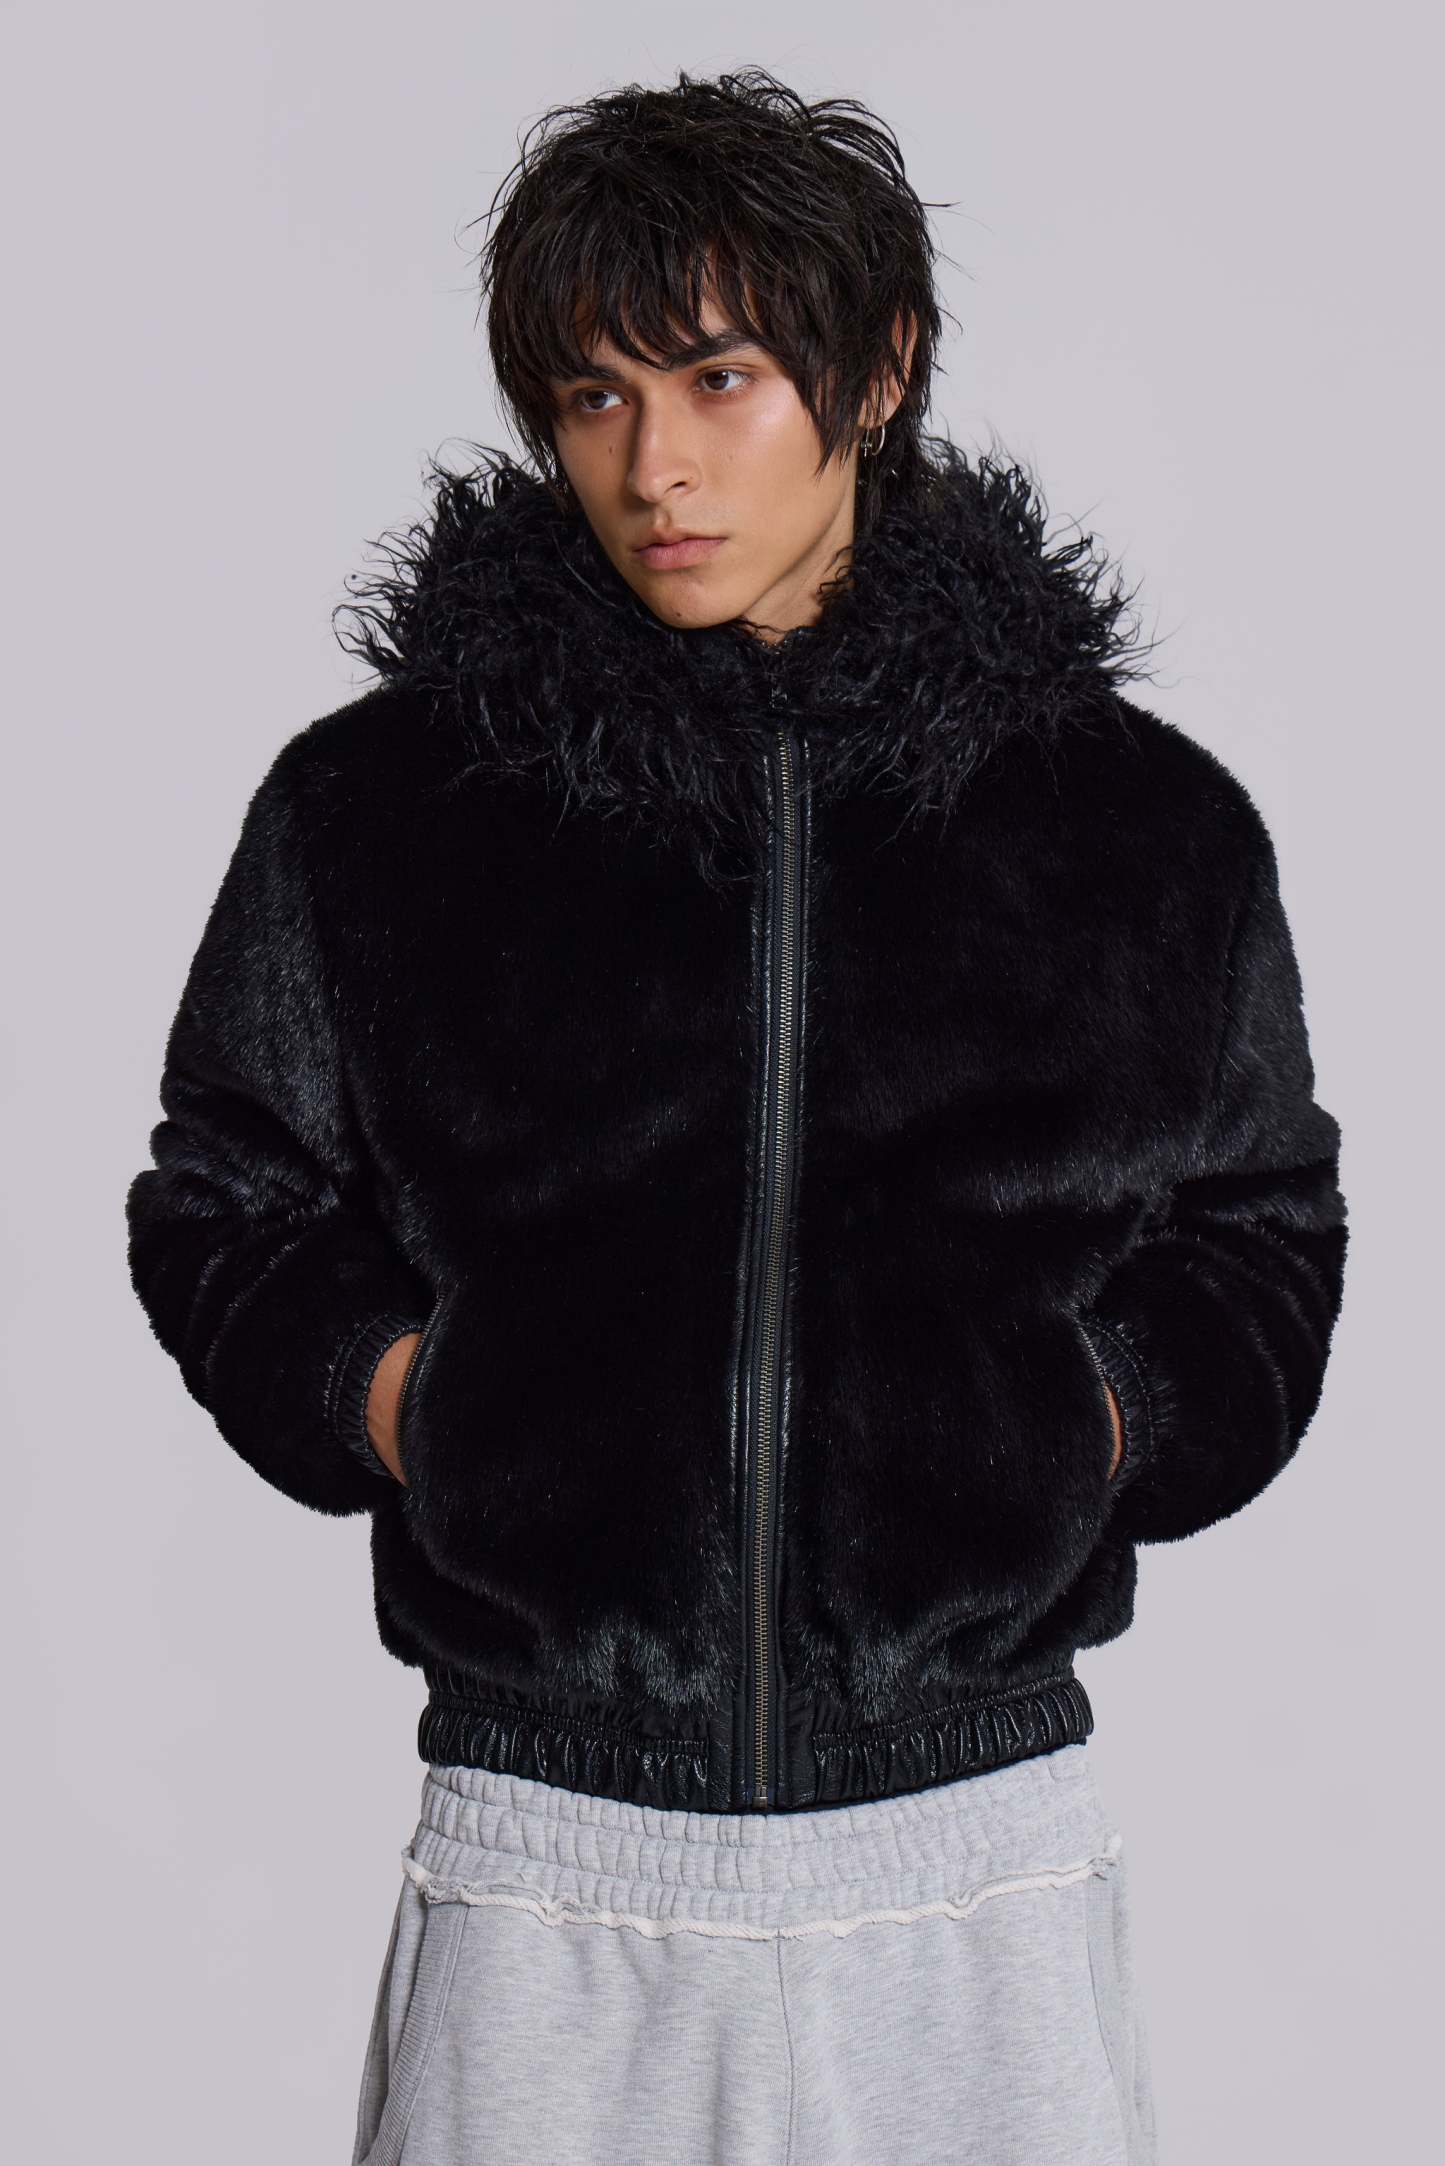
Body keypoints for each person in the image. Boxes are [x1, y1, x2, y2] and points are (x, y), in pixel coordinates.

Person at [125, 65, 1349, 2166]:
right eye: (593, 396)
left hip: (970, 1852)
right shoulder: (380, 814)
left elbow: (1259, 1240)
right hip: (552, 1850)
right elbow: (228, 1203)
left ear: (878, 371)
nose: (656, 465)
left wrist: (1086, 1427)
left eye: (718, 378)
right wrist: (421, 1409)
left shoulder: (1137, 835)